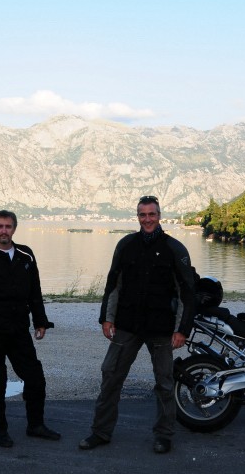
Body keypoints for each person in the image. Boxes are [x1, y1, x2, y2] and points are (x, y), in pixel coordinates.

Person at [79, 195, 196, 455]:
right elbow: (113, 285)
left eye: (151, 214)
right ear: (137, 217)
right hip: (127, 325)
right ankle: (101, 432)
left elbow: (187, 293)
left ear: (159, 215)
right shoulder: (126, 245)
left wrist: (182, 330)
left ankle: (164, 435)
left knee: (165, 383)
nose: (147, 219)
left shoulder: (175, 249)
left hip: (161, 328)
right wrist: (106, 318)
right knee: (110, 376)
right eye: (142, 215)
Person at [0, 209, 60, 448]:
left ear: (14, 228)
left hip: (19, 332)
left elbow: (35, 291)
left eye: (8, 226)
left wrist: (40, 321)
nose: (4, 231)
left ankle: (35, 425)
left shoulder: (26, 255)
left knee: (35, 378)